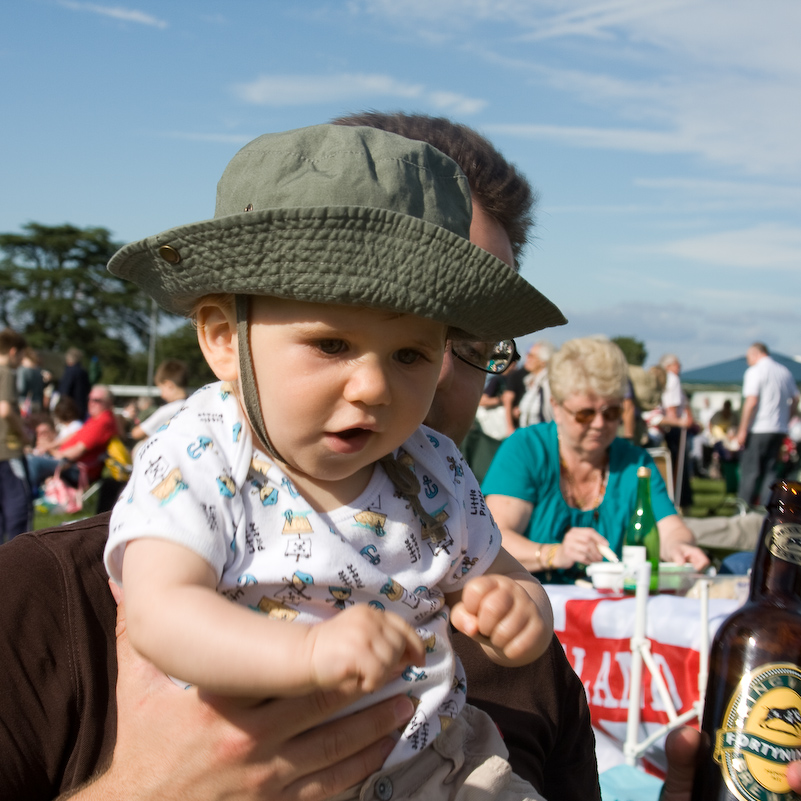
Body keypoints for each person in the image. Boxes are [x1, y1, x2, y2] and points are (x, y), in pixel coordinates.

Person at [0, 113, 600, 801]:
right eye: (332, 344)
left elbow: (498, 566)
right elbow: (163, 609)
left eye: (415, 352)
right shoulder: (199, 461)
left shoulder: (432, 471)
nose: (376, 386)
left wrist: (517, 605)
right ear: (224, 339)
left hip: (442, 764)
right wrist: (305, 654)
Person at [483, 337, 709, 583]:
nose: (600, 424)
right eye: (585, 414)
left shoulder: (635, 462)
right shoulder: (527, 449)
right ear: (556, 407)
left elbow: (670, 528)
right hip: (532, 603)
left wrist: (680, 547)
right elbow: (494, 539)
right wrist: (553, 553)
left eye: (612, 413)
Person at [736, 342, 799, 507]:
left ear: (756, 354)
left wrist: (742, 429)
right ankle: (765, 510)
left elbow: (751, 401)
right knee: (770, 472)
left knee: (750, 471)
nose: (748, 361)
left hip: (759, 428)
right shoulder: (784, 371)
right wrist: (786, 420)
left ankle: (743, 509)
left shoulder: (755, 371)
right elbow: (795, 398)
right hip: (778, 428)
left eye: (748, 357)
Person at [26, 384, 119, 491]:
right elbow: (75, 434)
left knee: (33, 462)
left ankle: (21, 502)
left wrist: (50, 450)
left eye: (96, 400)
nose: (91, 403)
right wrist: (49, 446)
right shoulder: (95, 419)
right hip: (68, 464)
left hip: (76, 470)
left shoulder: (103, 422)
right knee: (26, 459)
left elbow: (74, 454)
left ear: (109, 403)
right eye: (89, 399)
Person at [0, 327, 32, 542]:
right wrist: (24, 434)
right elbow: (5, 409)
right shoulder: (5, 373)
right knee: (19, 507)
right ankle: (19, 558)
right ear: (13, 351)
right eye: (21, 355)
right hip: (7, 451)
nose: (21, 360)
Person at [658, 353, 694, 508]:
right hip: (674, 425)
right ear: (669, 366)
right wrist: (677, 423)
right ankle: (681, 500)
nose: (679, 368)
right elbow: (671, 406)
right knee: (678, 463)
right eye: (677, 365)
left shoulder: (663, 379)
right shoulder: (672, 379)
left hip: (665, 424)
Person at [129, 358, 191, 443]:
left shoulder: (168, 410)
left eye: (161, 389)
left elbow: (136, 433)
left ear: (168, 385)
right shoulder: (194, 403)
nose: (161, 395)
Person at [516, 341, 554, 429]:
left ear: (543, 361)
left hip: (542, 439)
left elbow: (551, 415)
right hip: (528, 437)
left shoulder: (548, 383)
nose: (527, 357)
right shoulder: (530, 381)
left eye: (531, 355)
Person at [54, 346, 91, 420]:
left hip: (70, 409)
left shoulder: (70, 372)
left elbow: (64, 391)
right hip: (82, 407)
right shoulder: (84, 372)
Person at [17, 346, 46, 416]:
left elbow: (21, 388)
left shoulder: (22, 370)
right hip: (37, 403)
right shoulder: (39, 371)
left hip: (24, 403)